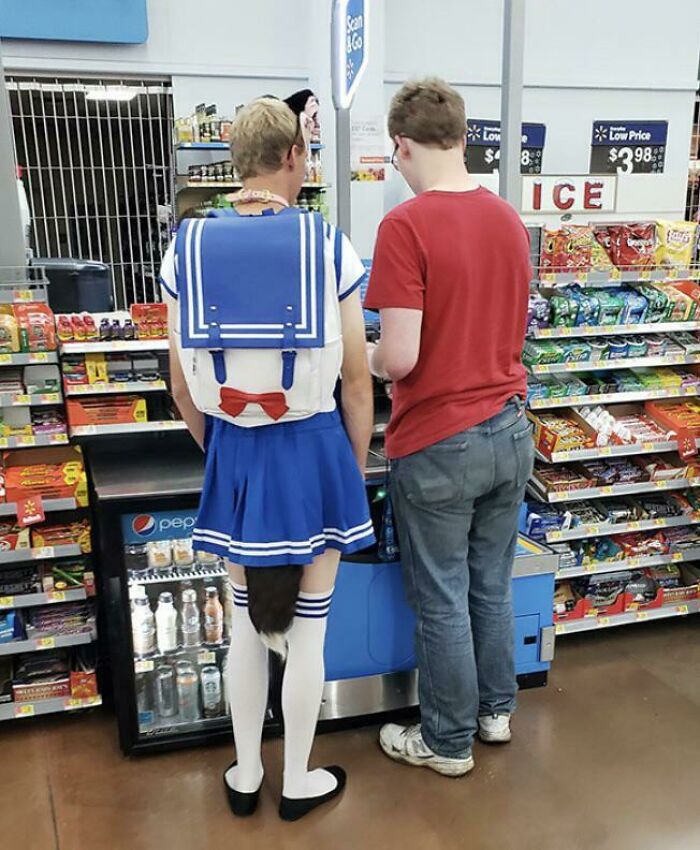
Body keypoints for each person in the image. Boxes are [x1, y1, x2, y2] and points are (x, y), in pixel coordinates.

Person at [160, 96, 374, 820]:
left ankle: (247, 773)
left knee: (246, 622)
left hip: (233, 451)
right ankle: (299, 779)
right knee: (308, 625)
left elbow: (180, 382)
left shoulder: (183, 247)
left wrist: (220, 447)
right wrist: (349, 462)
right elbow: (354, 378)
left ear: (234, 157)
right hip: (315, 450)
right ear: (293, 156)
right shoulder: (329, 245)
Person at [364, 78, 534, 778]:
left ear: (401, 146)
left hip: (439, 441)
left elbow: (399, 354)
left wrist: (369, 359)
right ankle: (495, 713)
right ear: (463, 138)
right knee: (489, 584)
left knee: (440, 599)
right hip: (510, 429)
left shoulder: (404, 227)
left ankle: (446, 741)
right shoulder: (507, 219)